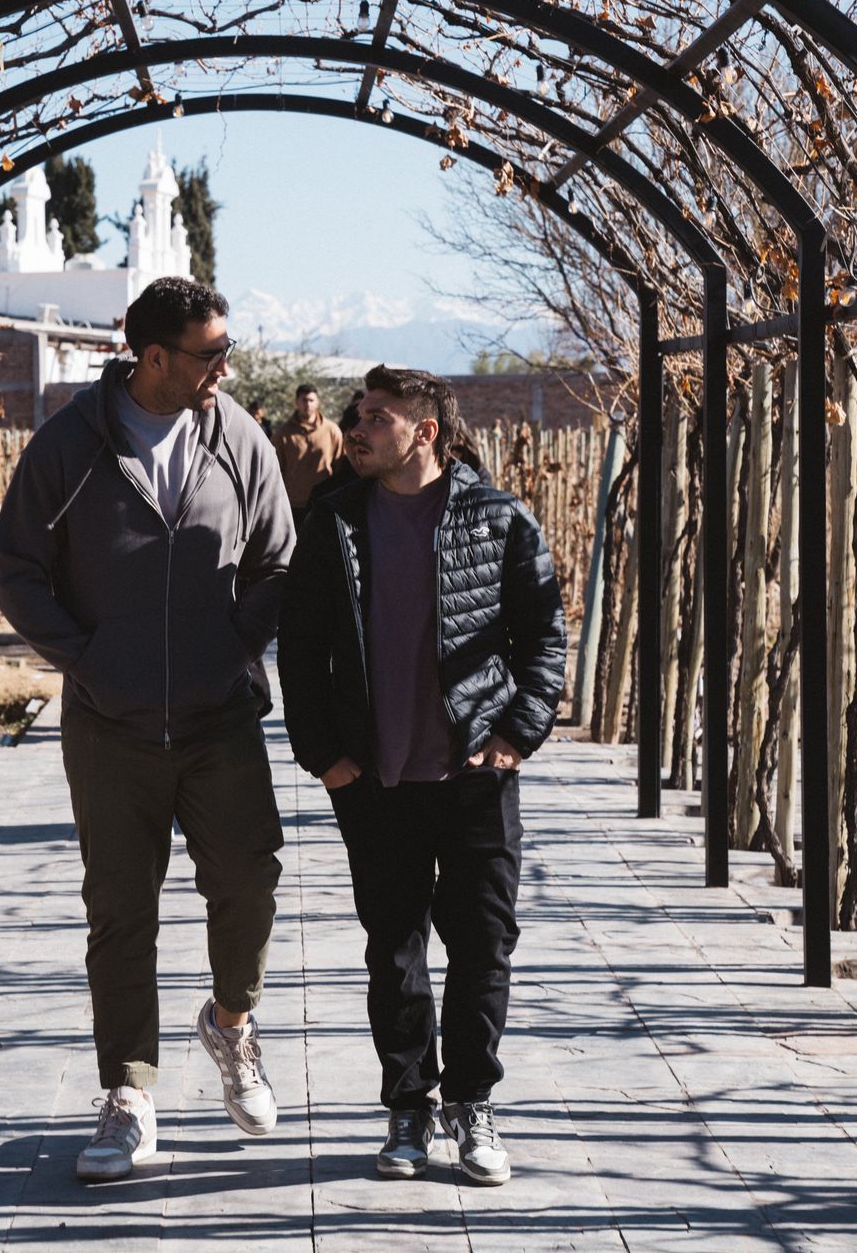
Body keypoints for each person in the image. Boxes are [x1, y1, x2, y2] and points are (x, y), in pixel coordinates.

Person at [0, 277, 295, 1182]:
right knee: (121, 912)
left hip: (219, 717)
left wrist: (232, 649)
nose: (225, 367)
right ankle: (128, 1094)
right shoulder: (70, 445)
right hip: (109, 725)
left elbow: (278, 560)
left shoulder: (238, 437)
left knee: (249, 880)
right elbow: (16, 569)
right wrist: (89, 661)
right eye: (210, 353)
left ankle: (231, 1024)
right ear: (152, 355)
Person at [277, 365, 566, 1186]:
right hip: (376, 778)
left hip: (474, 775)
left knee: (482, 943)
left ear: (425, 432)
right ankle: (407, 1106)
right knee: (394, 948)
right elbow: (299, 646)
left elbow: (544, 636)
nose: (358, 428)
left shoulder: (498, 518)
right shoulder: (334, 521)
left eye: (378, 417)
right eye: (358, 414)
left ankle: (471, 1102)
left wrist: (514, 736)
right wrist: (324, 754)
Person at [272, 382, 345, 525]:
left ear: (318, 402)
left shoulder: (332, 430)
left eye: (311, 400)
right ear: (296, 402)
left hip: (324, 502)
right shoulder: (282, 433)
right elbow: (275, 469)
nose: (308, 404)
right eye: (304, 400)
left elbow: (339, 466)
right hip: (292, 504)